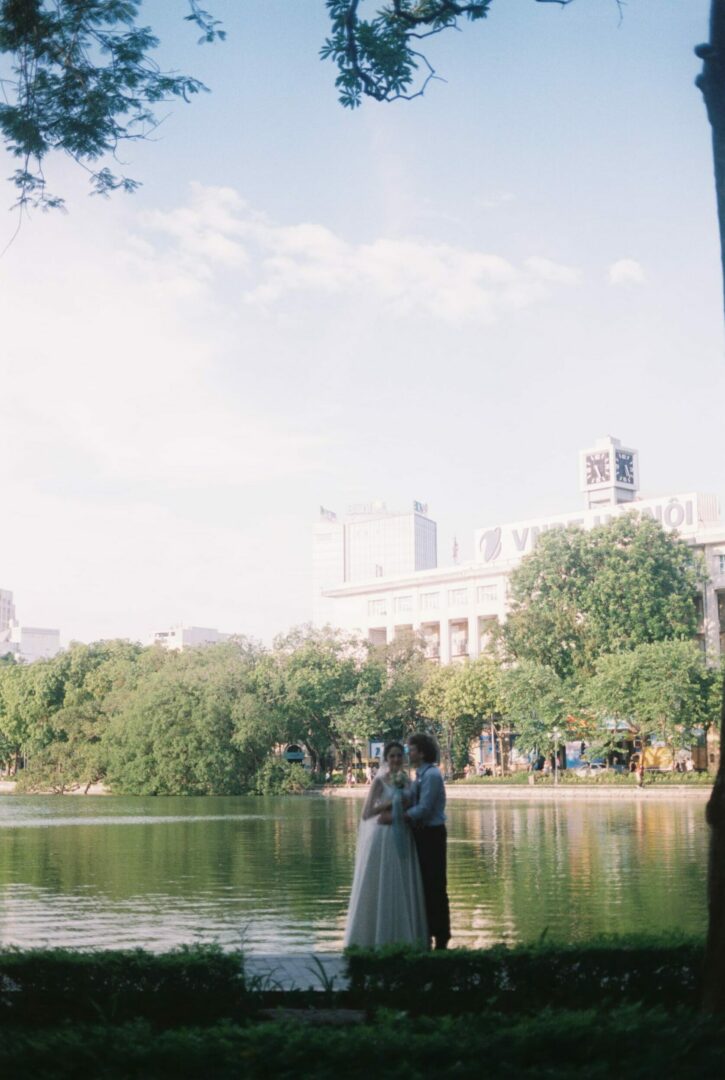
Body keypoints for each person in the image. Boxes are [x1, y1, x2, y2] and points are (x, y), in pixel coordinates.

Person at [343, 741, 428, 948]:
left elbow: (415, 806)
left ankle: (405, 938)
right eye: (392, 756)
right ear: (386, 759)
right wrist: (391, 803)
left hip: (403, 834)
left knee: (403, 883)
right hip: (382, 836)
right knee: (383, 882)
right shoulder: (379, 781)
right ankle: (375, 937)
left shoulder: (408, 781)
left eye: (399, 755)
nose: (396, 759)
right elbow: (367, 813)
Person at [404, 733, 451, 951]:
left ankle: (441, 934)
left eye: (411, 749)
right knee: (423, 884)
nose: (408, 753)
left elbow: (425, 808)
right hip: (421, 835)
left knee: (435, 884)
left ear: (421, 752)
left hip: (432, 834)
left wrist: (401, 816)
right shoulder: (418, 775)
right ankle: (427, 932)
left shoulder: (431, 775)